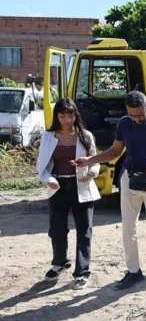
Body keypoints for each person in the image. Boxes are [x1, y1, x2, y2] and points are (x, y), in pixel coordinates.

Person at [73, 91, 146, 290]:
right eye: (132, 115)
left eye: (140, 115)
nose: (136, 119)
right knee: (128, 228)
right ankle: (134, 271)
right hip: (130, 179)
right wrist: (89, 160)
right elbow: (115, 151)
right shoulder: (124, 123)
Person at [37, 98, 101, 289]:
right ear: (57, 116)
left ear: (76, 115)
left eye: (70, 115)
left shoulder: (85, 136)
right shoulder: (48, 136)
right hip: (58, 186)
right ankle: (60, 262)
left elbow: (95, 161)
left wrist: (91, 172)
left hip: (81, 185)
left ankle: (82, 272)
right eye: (63, 115)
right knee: (56, 229)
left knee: (84, 229)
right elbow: (42, 165)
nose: (67, 119)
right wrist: (47, 178)